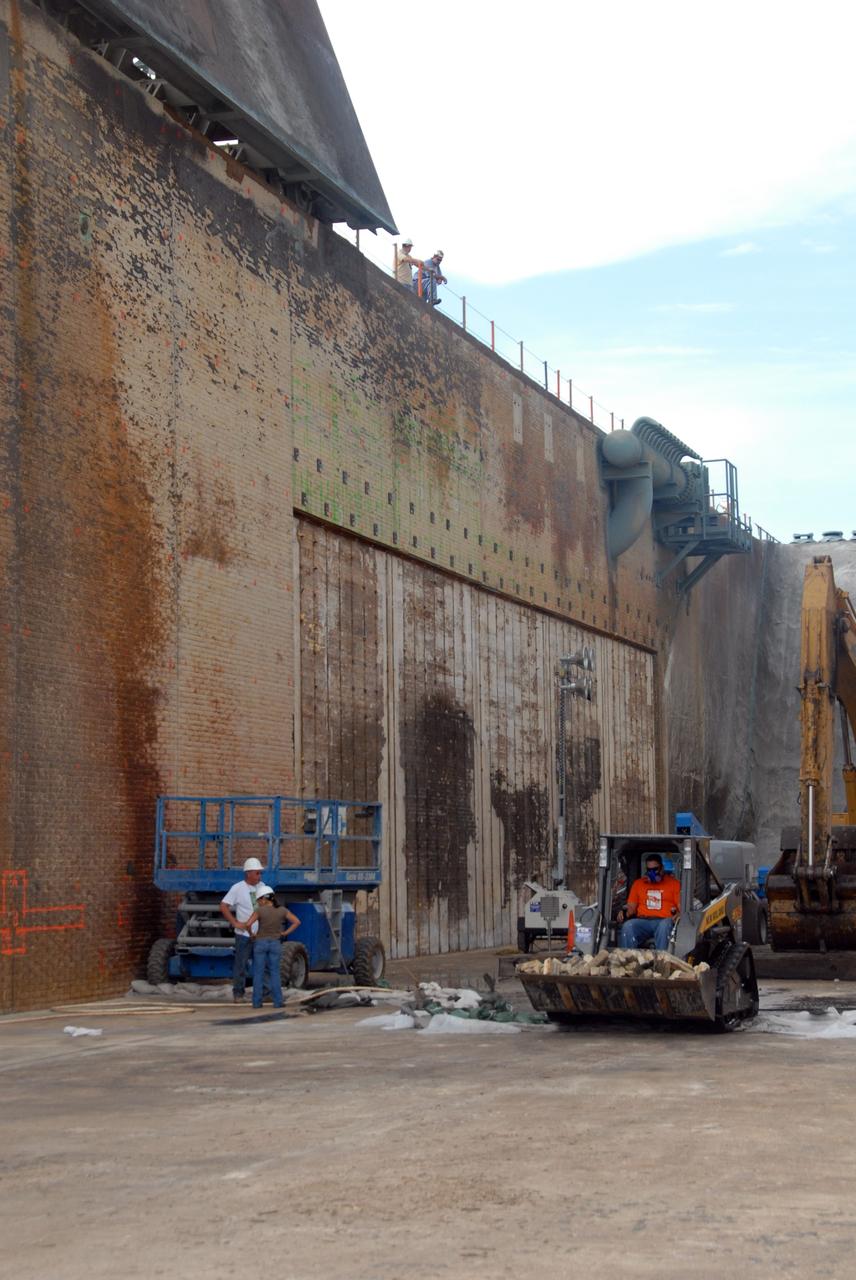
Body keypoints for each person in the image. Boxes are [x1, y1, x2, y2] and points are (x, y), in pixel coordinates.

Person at [219, 856, 273, 1002]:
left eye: (260, 873)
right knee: (241, 965)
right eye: (257, 873)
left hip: (260, 934)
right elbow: (224, 906)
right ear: (248, 873)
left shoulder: (263, 887)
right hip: (244, 935)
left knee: (264, 964)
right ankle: (238, 993)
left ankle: (266, 993)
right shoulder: (238, 888)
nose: (259, 876)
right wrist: (235, 922)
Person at [244, 890, 300, 1009]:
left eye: (259, 900)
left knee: (258, 973)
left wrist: (251, 934)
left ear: (264, 899)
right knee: (275, 973)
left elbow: (248, 924)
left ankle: (257, 1003)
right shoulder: (282, 910)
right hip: (275, 943)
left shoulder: (260, 911)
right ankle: (278, 1002)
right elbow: (296, 922)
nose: (258, 903)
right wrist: (285, 933)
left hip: (260, 943)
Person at [618, 853, 680, 950]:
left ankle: (662, 960)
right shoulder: (638, 884)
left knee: (664, 925)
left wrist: (679, 914)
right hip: (643, 921)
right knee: (628, 926)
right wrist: (624, 911)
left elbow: (681, 907)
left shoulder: (674, 884)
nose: (652, 873)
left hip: (664, 920)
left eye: (655, 869)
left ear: (662, 868)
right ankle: (628, 960)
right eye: (649, 870)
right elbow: (631, 907)